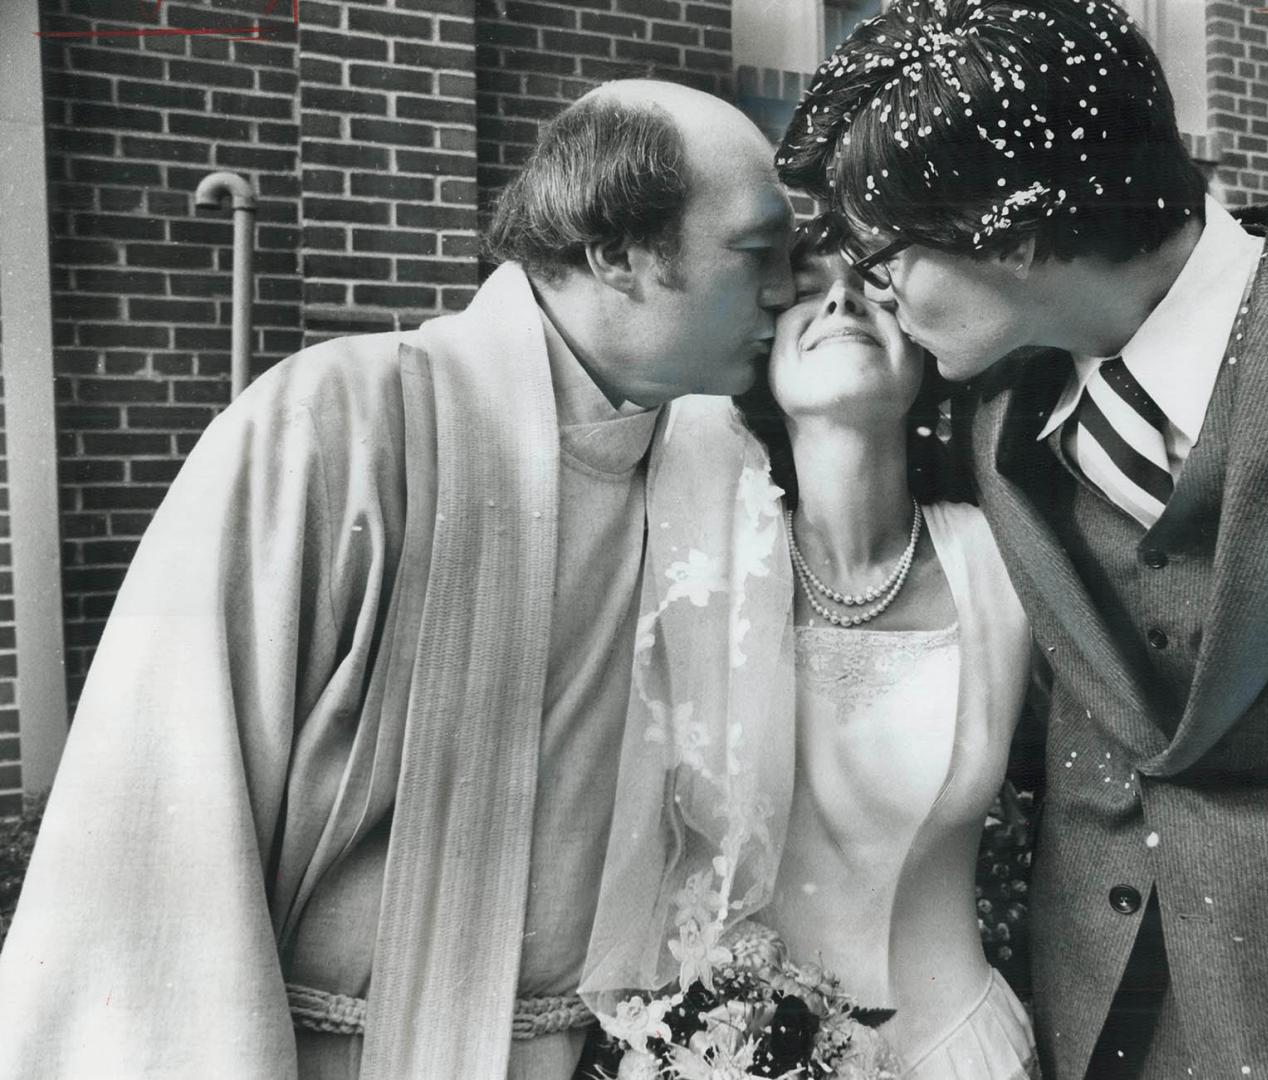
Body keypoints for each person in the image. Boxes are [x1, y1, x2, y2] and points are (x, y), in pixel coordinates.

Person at [775, 1, 1268, 1077]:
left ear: (1011, 227)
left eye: (880, 256)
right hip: (1101, 1022)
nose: (870, 296)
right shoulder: (982, 410)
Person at [0, 79, 794, 1080]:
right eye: (758, 254)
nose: (784, 291)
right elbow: (164, 817)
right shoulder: (337, 424)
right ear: (616, 250)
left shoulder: (712, 470)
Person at [579, 221, 1038, 1079]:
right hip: (730, 1056)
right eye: (806, 286)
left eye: (874, 284)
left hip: (966, 1056)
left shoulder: (1007, 563)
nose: (840, 298)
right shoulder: (695, 573)